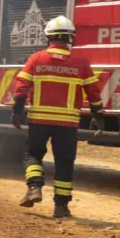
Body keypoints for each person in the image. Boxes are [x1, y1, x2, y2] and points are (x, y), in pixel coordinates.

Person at [10, 15, 103, 218]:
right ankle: (61, 207)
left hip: (39, 121)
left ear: (48, 37)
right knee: (64, 162)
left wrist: (17, 112)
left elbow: (21, 89)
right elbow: (94, 93)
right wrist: (98, 115)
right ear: (70, 37)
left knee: (32, 154)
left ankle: (34, 187)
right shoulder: (81, 63)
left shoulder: (36, 59)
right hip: (68, 124)